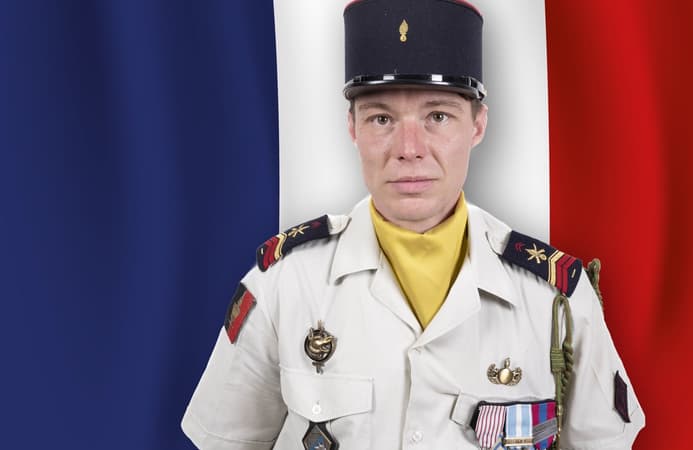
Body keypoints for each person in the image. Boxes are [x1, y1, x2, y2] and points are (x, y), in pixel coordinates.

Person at [182, 1, 644, 449]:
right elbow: (225, 441)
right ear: (352, 127)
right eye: (381, 118)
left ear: (478, 125)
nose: (409, 148)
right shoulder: (285, 283)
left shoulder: (554, 298)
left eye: (437, 116)